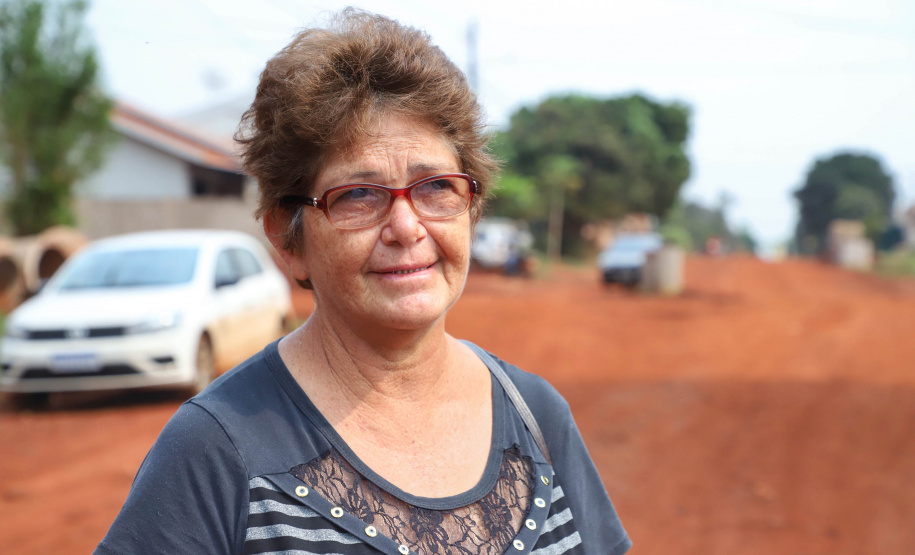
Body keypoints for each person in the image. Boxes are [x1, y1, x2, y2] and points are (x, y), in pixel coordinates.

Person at [97, 9, 630, 555]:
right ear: (288, 239)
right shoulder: (217, 451)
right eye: (357, 195)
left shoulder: (536, 417)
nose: (406, 227)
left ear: (471, 209)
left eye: (436, 187)